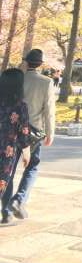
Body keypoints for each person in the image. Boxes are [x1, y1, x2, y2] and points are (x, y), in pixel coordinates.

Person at [7, 48, 55, 220]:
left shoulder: (17, 79)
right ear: (40, 64)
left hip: (13, 129)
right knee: (32, 167)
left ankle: (6, 207)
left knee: (9, 168)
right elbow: (48, 110)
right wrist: (50, 132)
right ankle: (19, 199)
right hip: (34, 131)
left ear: (26, 61)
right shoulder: (46, 82)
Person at [0, 69, 31, 225]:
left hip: (7, 147)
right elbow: (24, 131)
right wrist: (26, 151)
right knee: (5, 180)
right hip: (7, 149)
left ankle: (6, 212)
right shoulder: (21, 106)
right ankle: (5, 213)